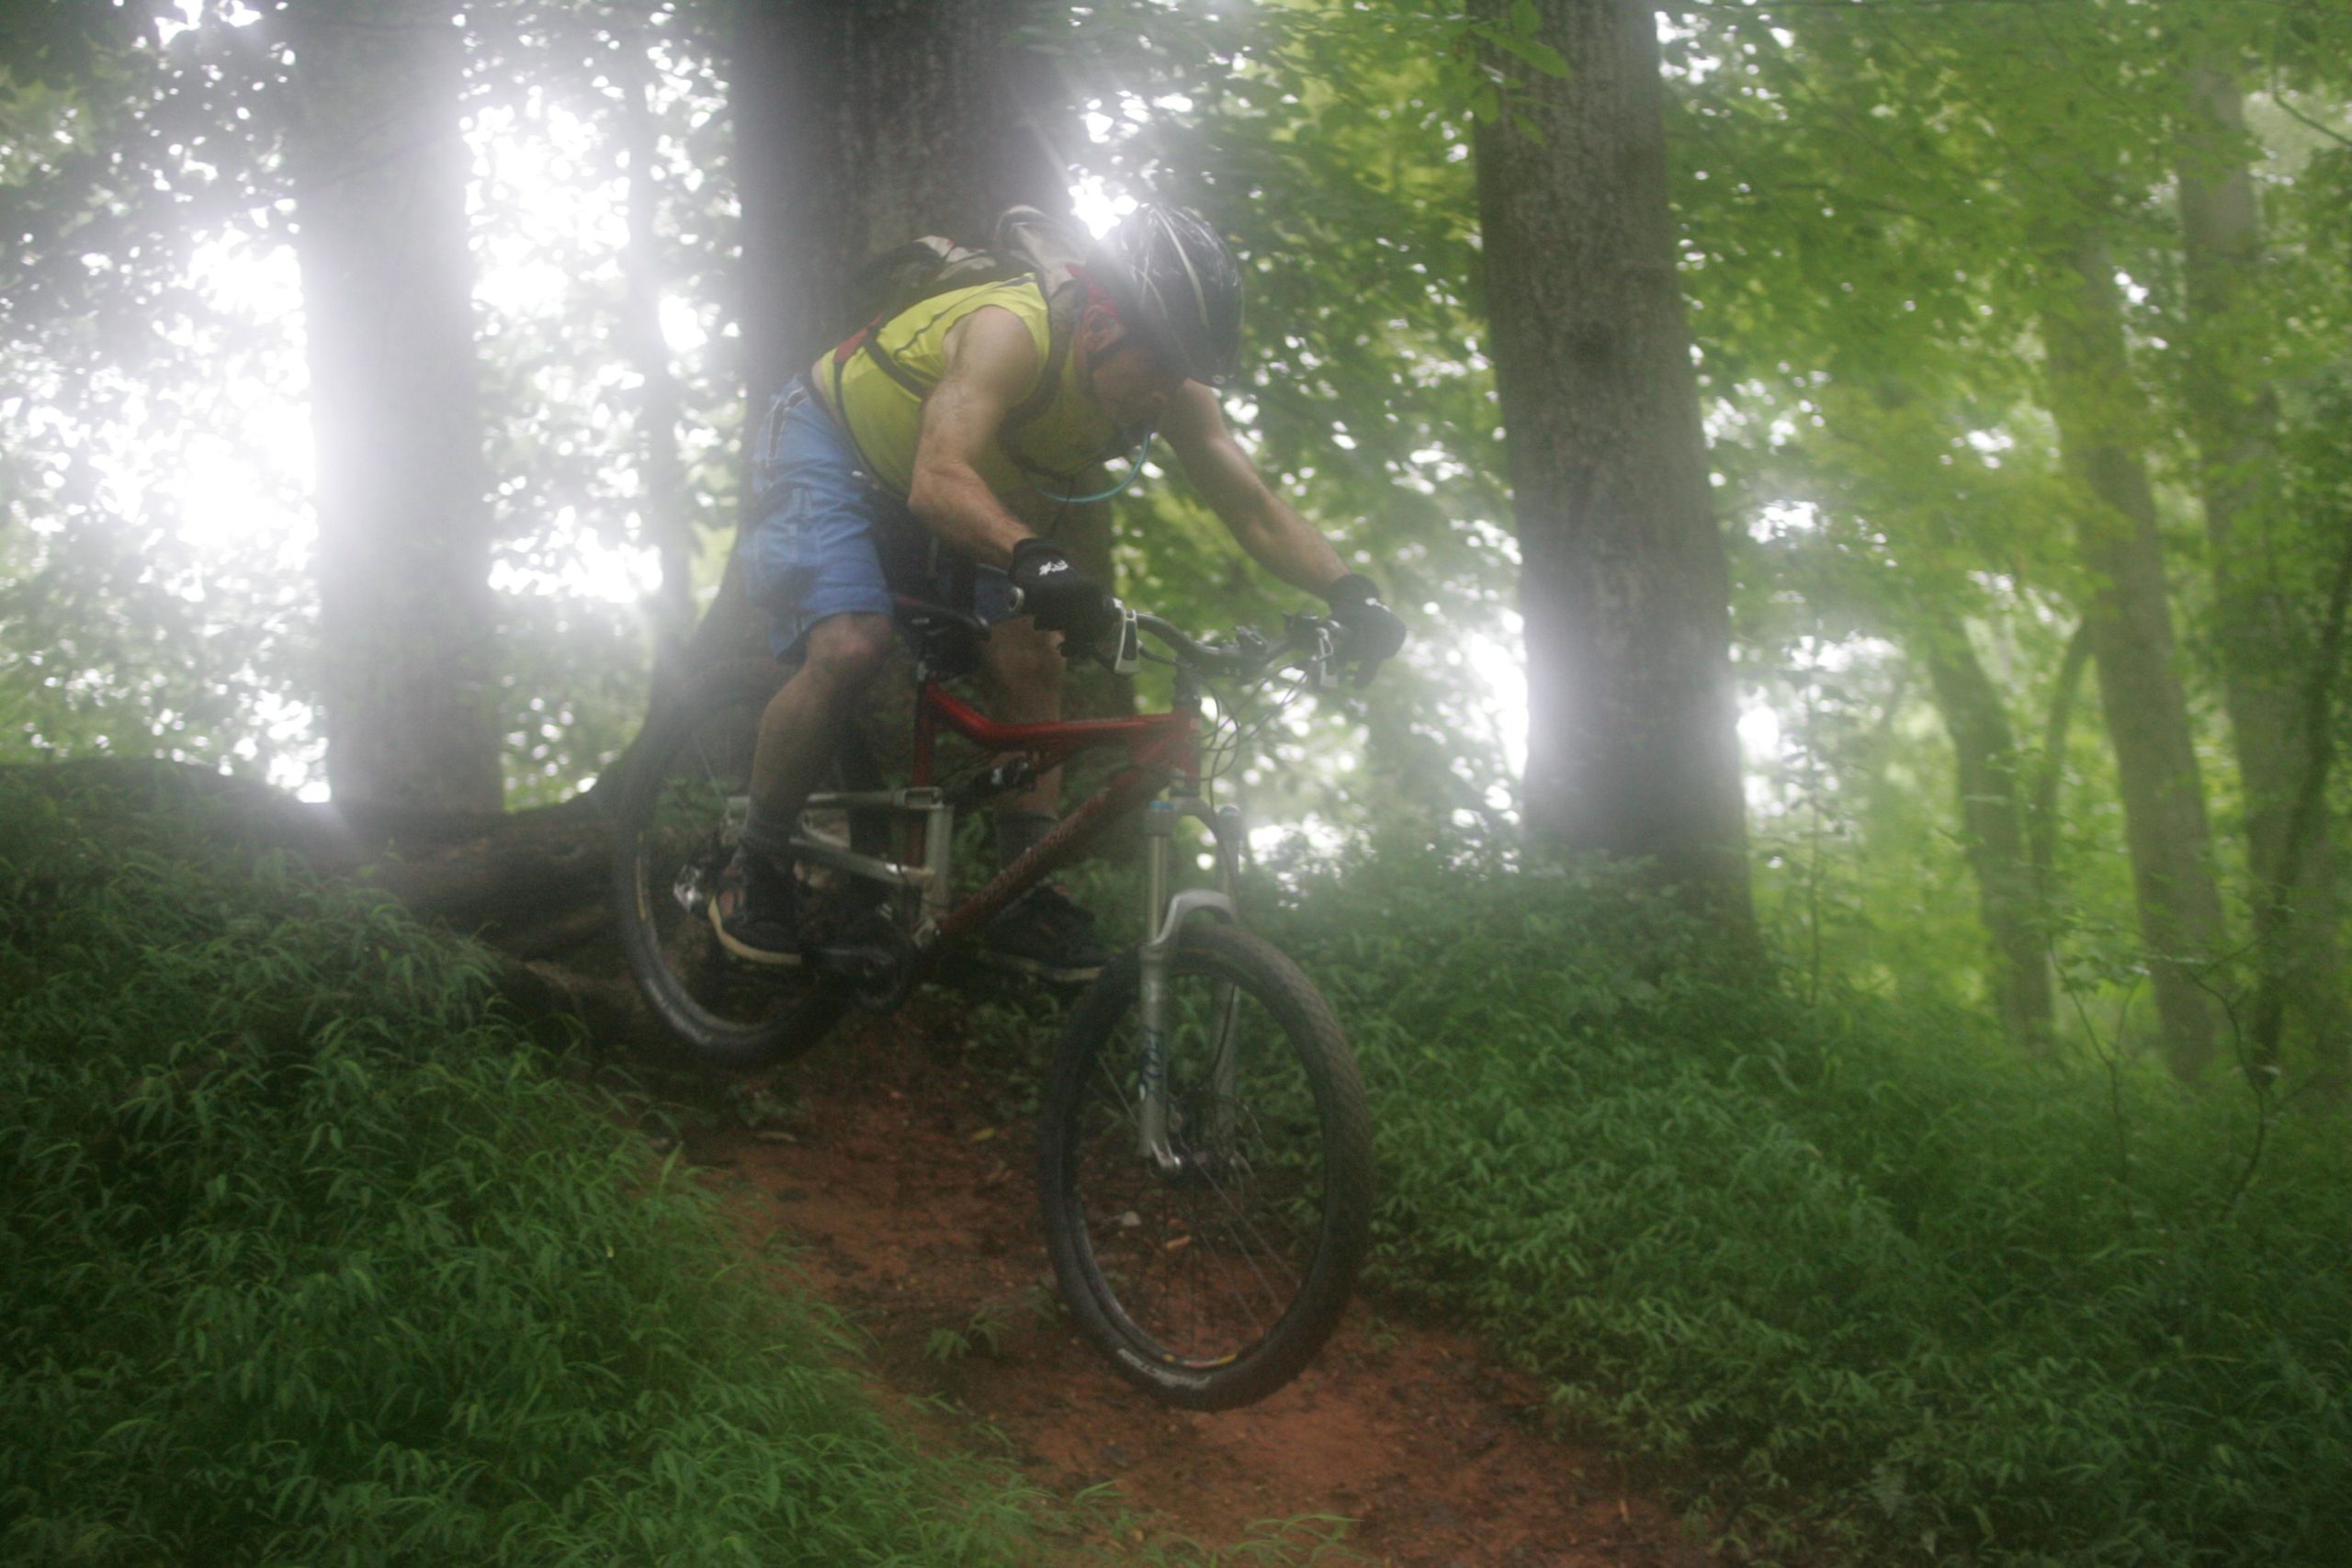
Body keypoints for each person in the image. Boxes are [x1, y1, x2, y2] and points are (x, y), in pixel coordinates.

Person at [718, 203, 1406, 982]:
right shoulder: (1010, 333)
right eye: (1160, 365)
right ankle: (754, 859)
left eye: (1183, 371)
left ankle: (1024, 897)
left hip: (955, 486)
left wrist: (1352, 592)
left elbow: (1253, 508)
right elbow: (940, 478)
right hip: (832, 445)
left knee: (1033, 656)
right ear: (1104, 326)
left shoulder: (1169, 387)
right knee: (849, 645)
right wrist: (1035, 560)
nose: (1163, 395)